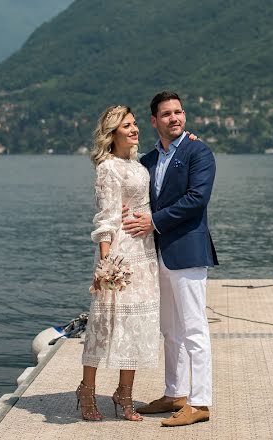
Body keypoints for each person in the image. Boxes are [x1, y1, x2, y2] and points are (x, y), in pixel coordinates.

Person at [122, 90, 218, 427]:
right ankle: (174, 393)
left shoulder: (199, 152)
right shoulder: (146, 161)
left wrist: (153, 221)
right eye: (166, 114)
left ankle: (201, 401)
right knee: (170, 329)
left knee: (194, 329)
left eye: (179, 112)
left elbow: (196, 199)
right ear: (154, 121)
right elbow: (139, 197)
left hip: (187, 252)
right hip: (156, 255)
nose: (174, 118)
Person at [76, 105, 160, 422]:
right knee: (104, 324)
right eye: (127, 125)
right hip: (121, 254)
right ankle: (87, 389)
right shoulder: (108, 168)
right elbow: (106, 219)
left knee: (136, 328)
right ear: (113, 134)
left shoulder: (137, 166)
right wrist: (106, 262)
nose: (135, 129)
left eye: (135, 123)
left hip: (146, 253)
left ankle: (124, 394)